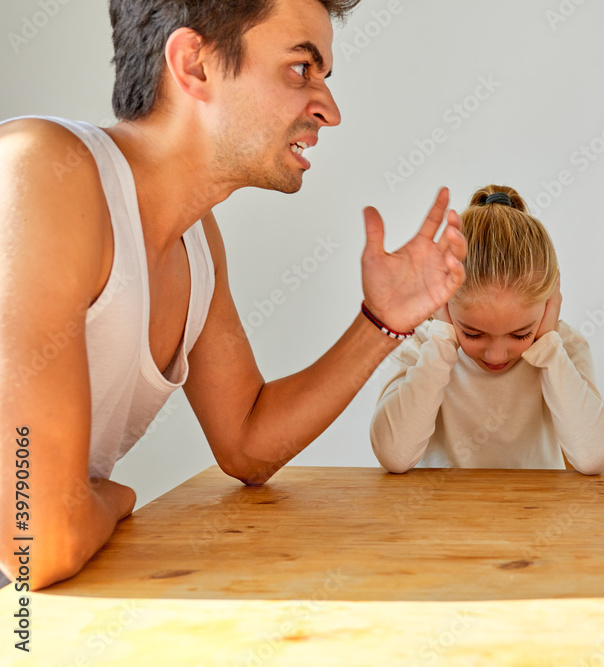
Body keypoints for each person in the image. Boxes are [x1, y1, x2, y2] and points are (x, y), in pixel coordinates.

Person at [0, 0, 467, 590]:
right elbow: (34, 541)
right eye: (301, 68)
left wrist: (381, 322)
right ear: (194, 65)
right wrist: (115, 500)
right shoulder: (39, 171)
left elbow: (247, 443)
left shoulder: (195, 238)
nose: (329, 109)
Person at [370, 186, 604, 474]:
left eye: (520, 334)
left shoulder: (563, 347)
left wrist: (550, 349)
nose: (497, 354)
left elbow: (594, 459)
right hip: (435, 516)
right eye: (473, 333)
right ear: (443, 301)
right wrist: (442, 341)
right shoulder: (417, 345)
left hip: (536, 515)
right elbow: (393, 456)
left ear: (550, 301)